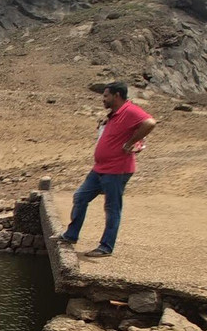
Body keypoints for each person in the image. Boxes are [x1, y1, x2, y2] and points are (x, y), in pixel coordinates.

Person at [56, 82, 156, 257]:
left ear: (116, 96)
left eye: (106, 96)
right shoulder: (115, 114)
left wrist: (130, 143)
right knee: (80, 196)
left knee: (112, 207)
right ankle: (71, 235)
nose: (103, 99)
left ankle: (106, 247)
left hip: (117, 169)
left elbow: (149, 122)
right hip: (101, 168)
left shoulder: (129, 110)